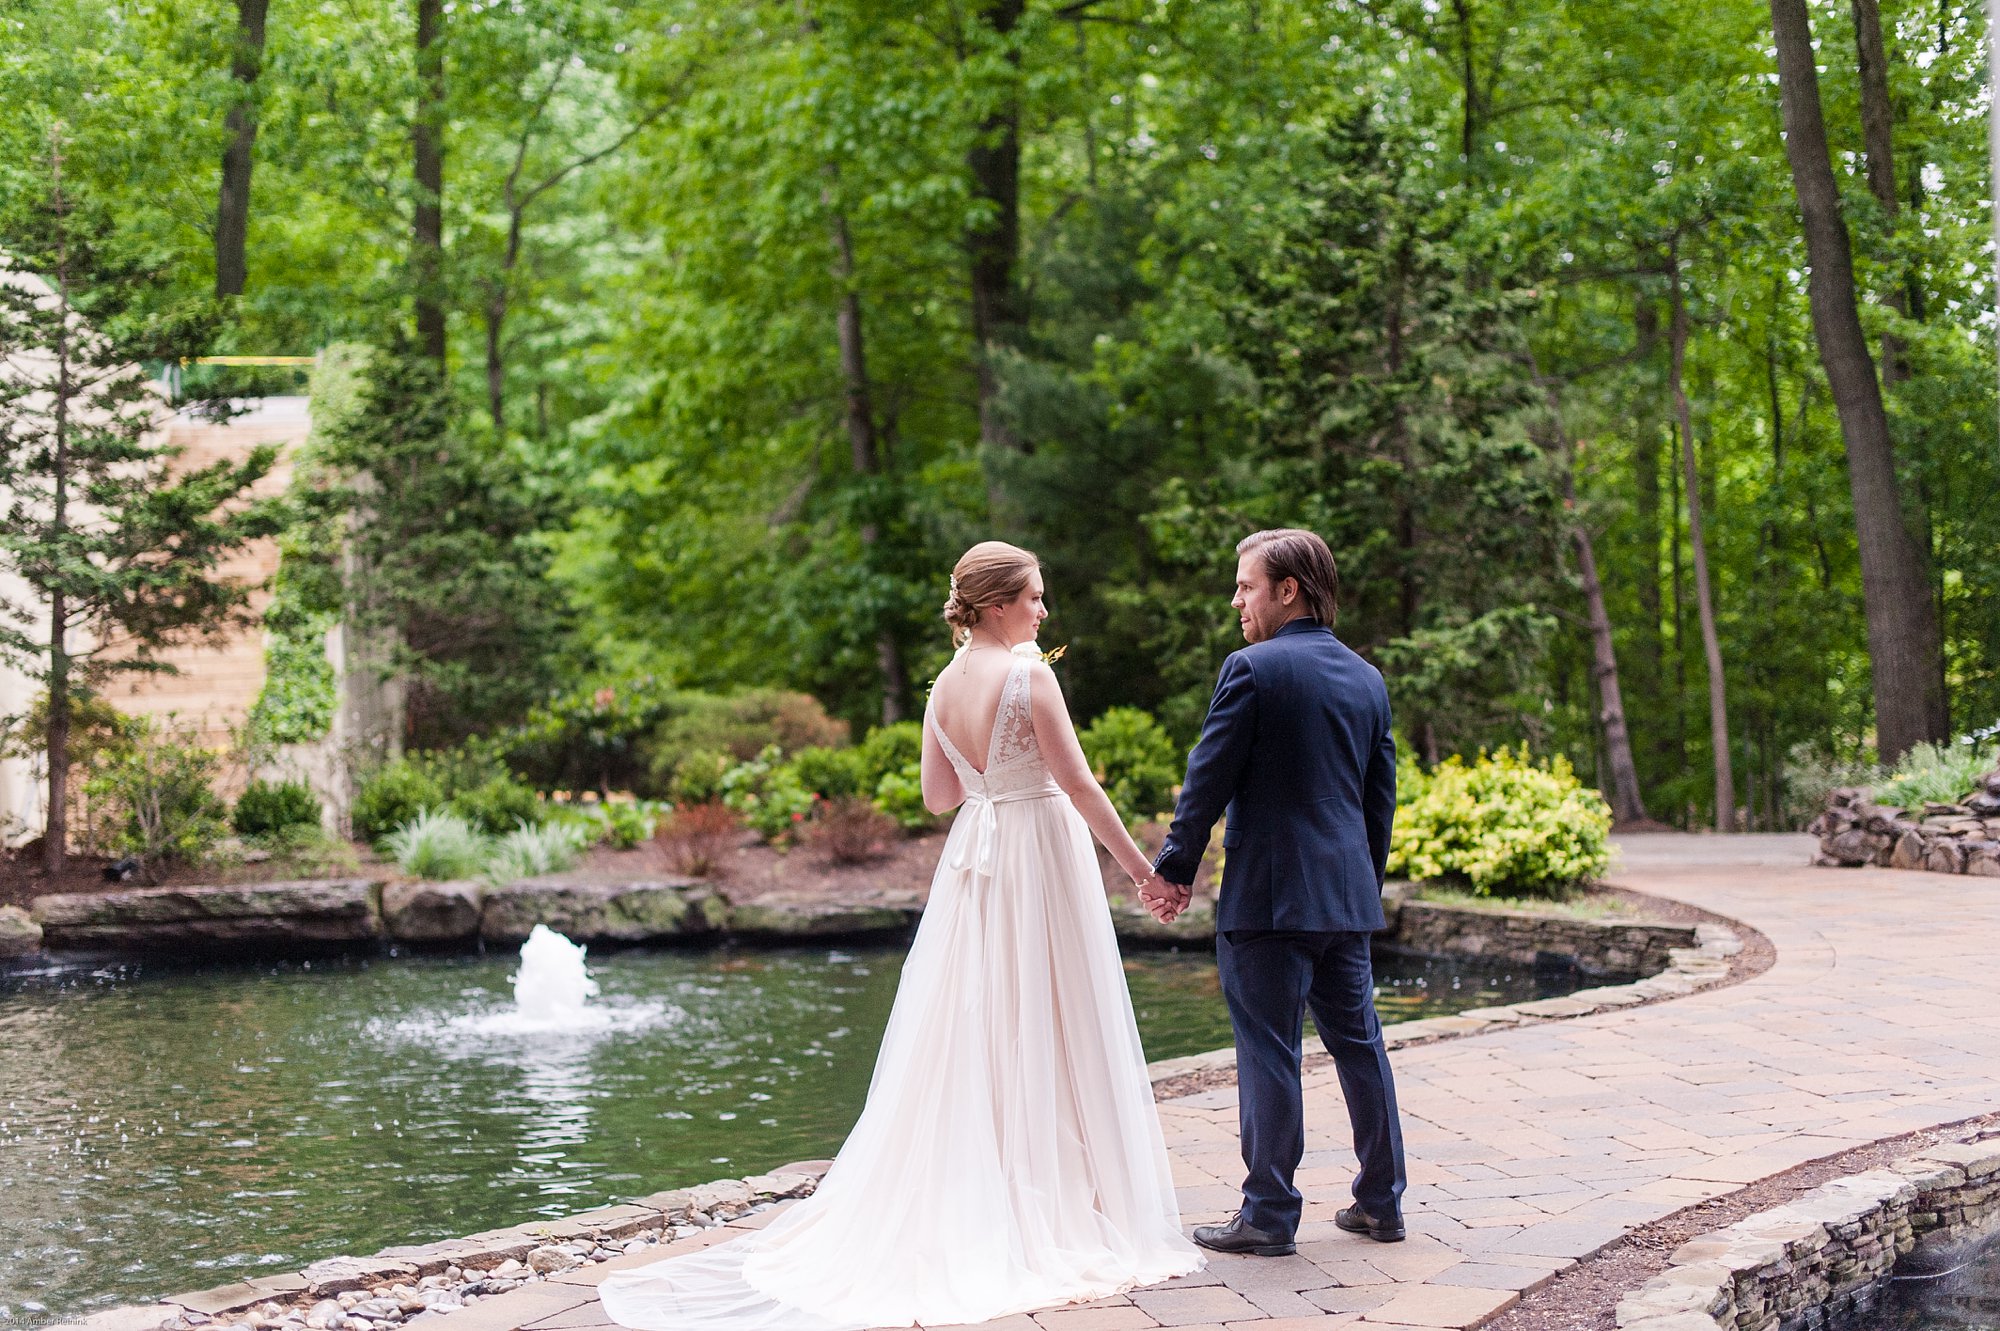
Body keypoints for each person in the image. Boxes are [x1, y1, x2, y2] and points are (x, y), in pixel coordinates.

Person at [599, 540, 1202, 1331]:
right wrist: (1144, 872)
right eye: (1034, 598)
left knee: (981, 1027)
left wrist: (990, 777)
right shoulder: (1029, 674)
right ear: (994, 604)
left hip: (976, 868)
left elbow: (935, 796)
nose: (1043, 611)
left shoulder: (945, 685)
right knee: (1053, 1017)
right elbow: (1080, 784)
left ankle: (994, 1187)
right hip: (1034, 858)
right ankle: (1059, 1201)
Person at [1140, 527, 1408, 1257]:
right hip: (1343, 901)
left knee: (1268, 1051)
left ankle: (1268, 1214)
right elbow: (1378, 802)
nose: (1236, 600)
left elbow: (1208, 778)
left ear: (1287, 590)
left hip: (1266, 900)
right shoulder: (1367, 678)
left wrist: (1173, 867)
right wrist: (1359, 887)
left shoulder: (1251, 669)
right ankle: (1381, 1202)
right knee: (1360, 1045)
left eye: (1245, 585)